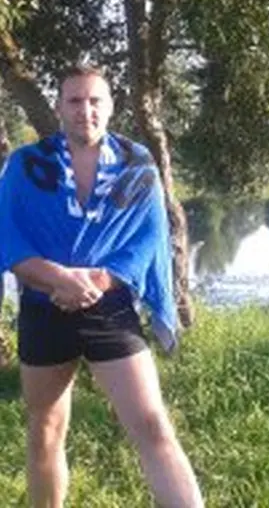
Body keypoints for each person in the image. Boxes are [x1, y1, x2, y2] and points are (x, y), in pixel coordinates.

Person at [0, 65, 204, 508]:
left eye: (95, 100)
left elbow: (148, 240)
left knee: (153, 426)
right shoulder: (26, 165)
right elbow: (7, 237)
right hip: (44, 307)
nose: (85, 110)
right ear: (59, 107)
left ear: (111, 107)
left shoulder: (137, 165)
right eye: (74, 100)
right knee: (45, 430)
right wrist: (59, 278)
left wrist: (96, 280)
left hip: (109, 307)